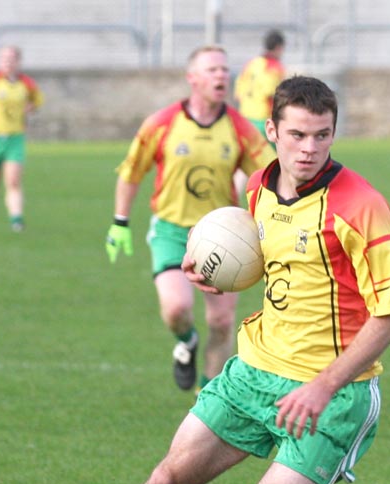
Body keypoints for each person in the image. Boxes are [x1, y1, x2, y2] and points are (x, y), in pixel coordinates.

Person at [40, 75, 390, 484]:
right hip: (252, 373)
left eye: (323, 136)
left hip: (331, 392)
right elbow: (269, 266)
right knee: (164, 482)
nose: (309, 149)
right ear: (272, 131)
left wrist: (321, 385)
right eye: (298, 135)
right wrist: (214, 273)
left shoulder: (360, 204)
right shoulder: (258, 187)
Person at [105, 45, 274, 393]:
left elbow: (272, 175)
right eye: (212, 70)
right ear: (192, 78)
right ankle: (186, 341)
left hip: (225, 235)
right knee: (177, 309)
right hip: (171, 230)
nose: (221, 76)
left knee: (223, 320)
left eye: (225, 70)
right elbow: (131, 172)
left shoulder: (240, 128)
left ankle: (209, 396)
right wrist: (120, 221)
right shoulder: (162, 123)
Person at [0, 45, 44, 231]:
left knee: (13, 180)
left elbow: (37, 101)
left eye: (11, 58)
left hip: (15, 138)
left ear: (18, 61)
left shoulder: (25, 83)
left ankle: (16, 220)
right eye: (4, 58)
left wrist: (29, 109)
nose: (7, 62)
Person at [234, 29, 286, 139]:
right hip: (263, 120)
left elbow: (238, 93)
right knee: (271, 155)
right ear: (279, 47)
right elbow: (273, 95)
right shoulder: (274, 67)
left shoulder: (252, 63)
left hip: (245, 116)